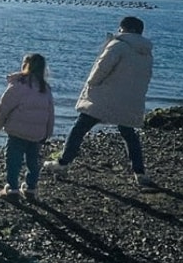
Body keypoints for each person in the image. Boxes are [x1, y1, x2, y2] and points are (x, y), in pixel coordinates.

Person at [44, 16, 153, 186]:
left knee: (80, 127)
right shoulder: (146, 52)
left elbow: (100, 69)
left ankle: (63, 163)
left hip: (106, 97)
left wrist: (91, 84)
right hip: (131, 99)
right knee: (129, 134)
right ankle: (140, 173)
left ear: (124, 29)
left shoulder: (117, 45)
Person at [0, 53, 55, 199]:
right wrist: (47, 132)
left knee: (13, 160)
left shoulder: (19, 85)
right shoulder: (45, 89)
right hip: (37, 133)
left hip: (17, 132)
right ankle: (31, 188)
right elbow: (50, 113)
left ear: (25, 66)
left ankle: (12, 188)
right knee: (33, 161)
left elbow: (4, 106)